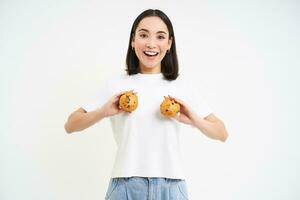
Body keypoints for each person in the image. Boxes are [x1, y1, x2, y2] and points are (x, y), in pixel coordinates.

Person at [64, 9, 228, 200]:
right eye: (143, 35)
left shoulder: (182, 86)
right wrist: (103, 112)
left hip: (172, 187)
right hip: (125, 187)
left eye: (160, 36)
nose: (151, 44)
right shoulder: (116, 85)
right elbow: (70, 124)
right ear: (133, 41)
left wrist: (193, 118)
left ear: (169, 44)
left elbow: (222, 133)